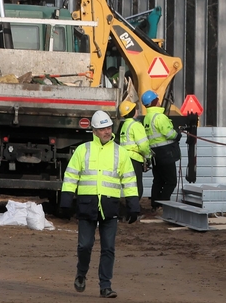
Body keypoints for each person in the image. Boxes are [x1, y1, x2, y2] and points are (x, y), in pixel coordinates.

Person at [60, 110, 139, 299]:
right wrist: (66, 200)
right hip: (87, 205)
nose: (107, 131)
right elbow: (71, 176)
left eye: (109, 127)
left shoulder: (120, 152)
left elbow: (129, 179)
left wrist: (133, 205)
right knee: (84, 245)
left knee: (108, 248)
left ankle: (105, 286)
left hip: (110, 206)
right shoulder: (83, 150)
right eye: (103, 129)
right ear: (94, 131)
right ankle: (81, 273)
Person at [140, 90, 179, 208]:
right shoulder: (159, 117)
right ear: (155, 101)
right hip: (166, 153)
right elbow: (169, 133)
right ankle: (162, 204)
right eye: (157, 99)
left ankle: (155, 205)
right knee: (171, 181)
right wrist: (177, 134)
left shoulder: (147, 118)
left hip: (155, 154)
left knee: (158, 180)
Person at [116, 101, 150, 205]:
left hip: (124, 158)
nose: (137, 110)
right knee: (137, 186)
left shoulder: (124, 125)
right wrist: (148, 156)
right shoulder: (136, 125)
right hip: (134, 158)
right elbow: (143, 145)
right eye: (135, 109)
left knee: (129, 184)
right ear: (132, 111)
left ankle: (128, 207)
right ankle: (133, 208)